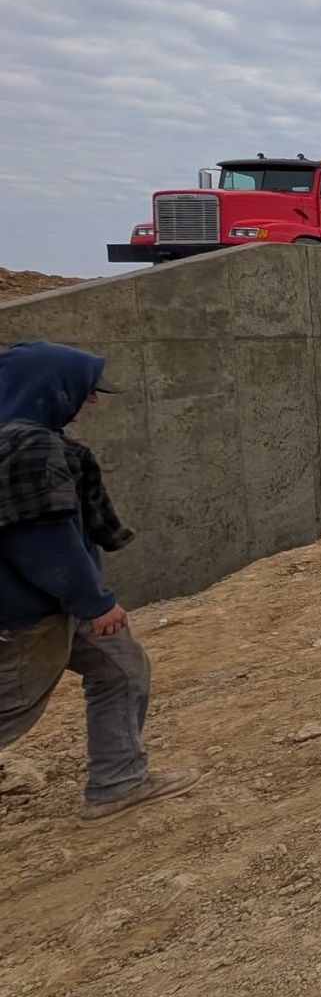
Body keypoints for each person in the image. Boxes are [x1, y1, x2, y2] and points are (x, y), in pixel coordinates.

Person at [0, 341, 197, 819]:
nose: (90, 400)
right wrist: (94, 601)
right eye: (85, 390)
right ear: (51, 388)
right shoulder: (31, 448)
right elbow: (43, 542)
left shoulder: (30, 440)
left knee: (121, 670)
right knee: (10, 710)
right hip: (32, 612)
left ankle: (118, 781)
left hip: (59, 603)